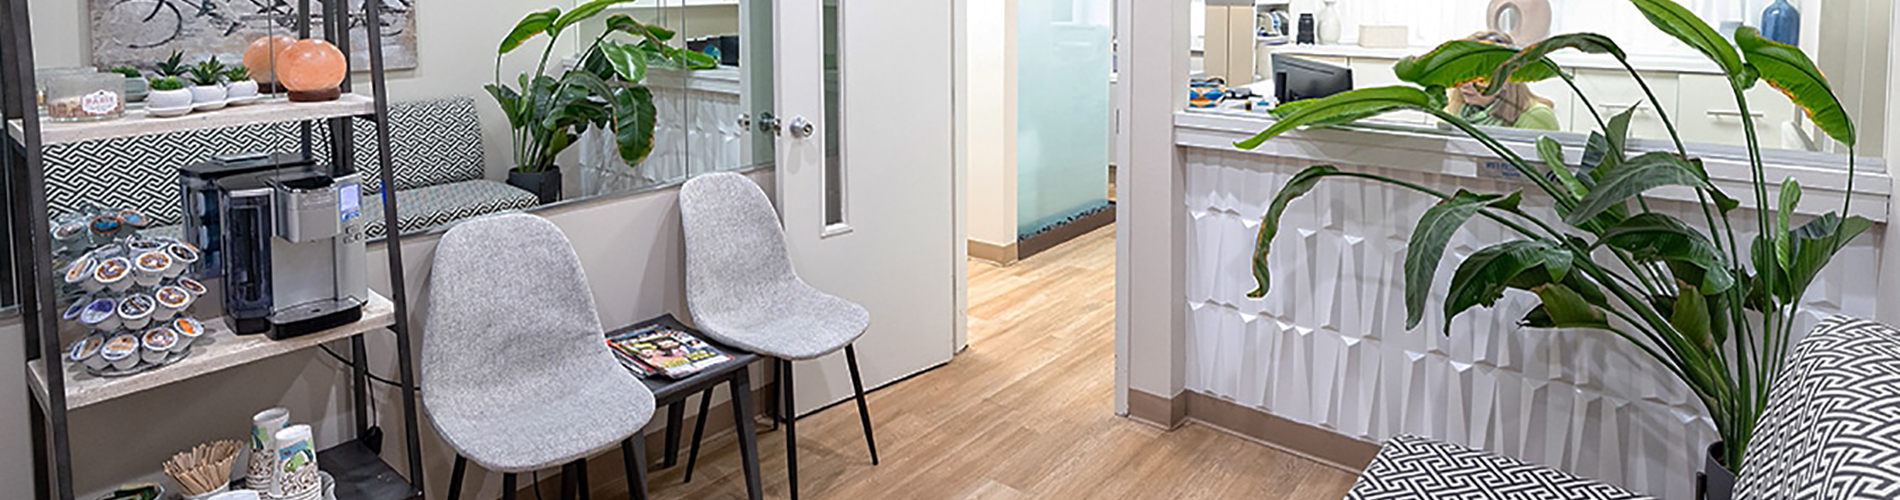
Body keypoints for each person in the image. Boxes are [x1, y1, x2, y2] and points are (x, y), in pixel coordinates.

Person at [1444, 31, 1562, 131]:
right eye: (1463, 74)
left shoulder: (1536, 117)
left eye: (1478, 76)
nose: (1465, 84)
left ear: (1506, 78)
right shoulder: (1453, 111)